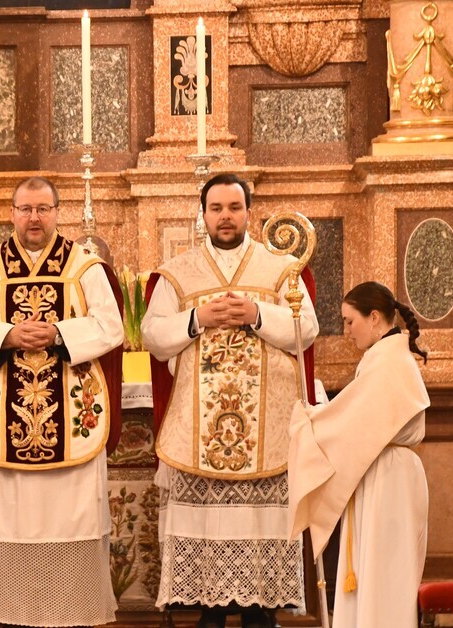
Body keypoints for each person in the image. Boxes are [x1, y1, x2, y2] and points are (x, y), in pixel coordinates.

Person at [141, 173, 318, 628]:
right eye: (216, 208)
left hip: (266, 431)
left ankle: (262, 613)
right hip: (198, 430)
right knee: (207, 537)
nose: (225, 217)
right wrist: (197, 318)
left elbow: (307, 329)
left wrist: (257, 314)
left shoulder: (281, 269)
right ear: (203, 215)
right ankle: (210, 611)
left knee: (261, 528)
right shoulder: (178, 272)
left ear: (249, 213)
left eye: (234, 208)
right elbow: (153, 336)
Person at [0, 176, 124, 627]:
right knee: (4, 521)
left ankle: (72, 616)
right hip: (0, 418)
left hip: (72, 417)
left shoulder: (85, 267)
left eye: (43, 208)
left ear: (56, 212)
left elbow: (111, 326)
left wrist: (60, 333)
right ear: (12, 213)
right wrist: (8, 336)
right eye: (25, 209)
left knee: (72, 520)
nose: (34, 218)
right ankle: (8, 615)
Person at [288, 282, 429, 628]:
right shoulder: (382, 358)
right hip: (380, 472)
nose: (347, 331)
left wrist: (310, 423)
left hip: (389, 478)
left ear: (375, 317)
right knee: (373, 569)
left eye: (350, 321)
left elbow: (353, 423)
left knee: (384, 570)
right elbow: (358, 418)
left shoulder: (388, 362)